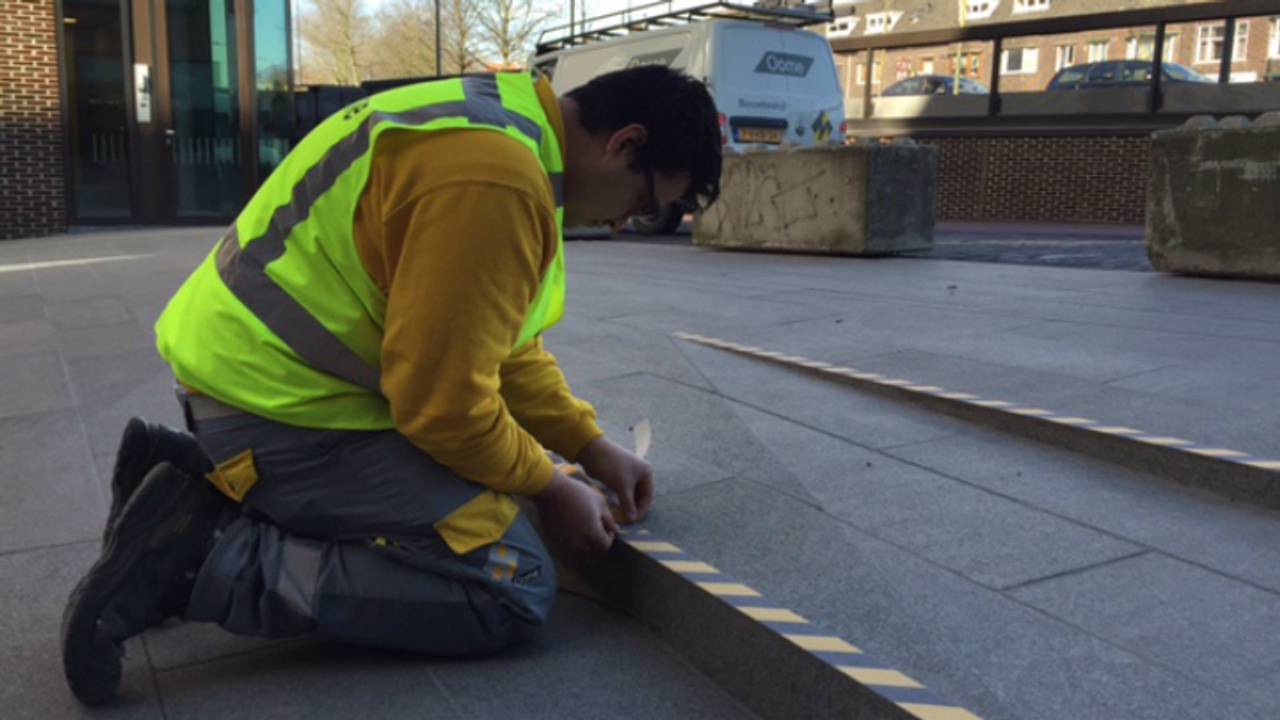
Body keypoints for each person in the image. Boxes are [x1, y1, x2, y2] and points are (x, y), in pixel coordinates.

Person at [62, 65, 722, 705]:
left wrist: (587, 445)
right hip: (283, 412)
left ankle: (189, 476)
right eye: (643, 202)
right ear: (625, 143)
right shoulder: (498, 180)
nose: (623, 221)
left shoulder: (499, 119)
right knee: (508, 586)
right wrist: (548, 485)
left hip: (257, 384)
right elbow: (445, 411)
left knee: (494, 480)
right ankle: (203, 558)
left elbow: (502, 349)